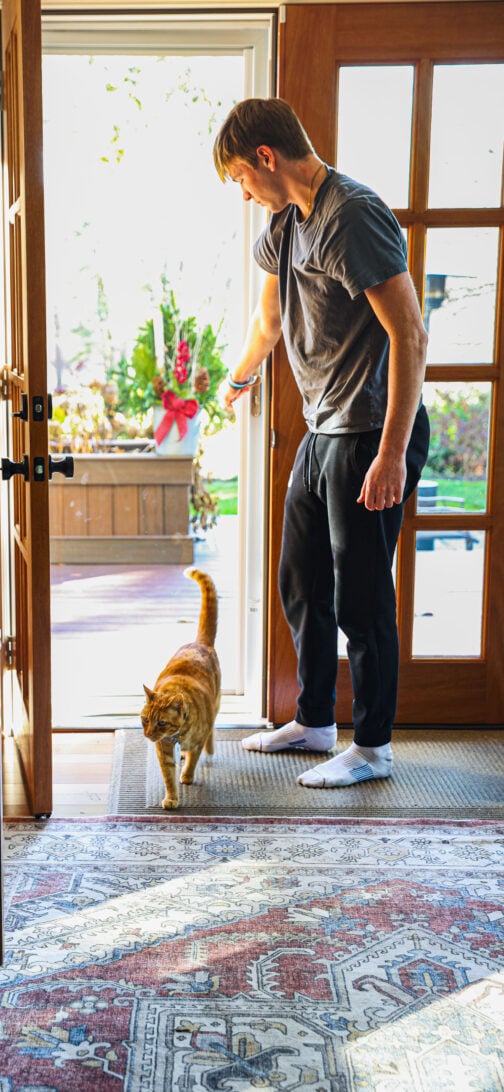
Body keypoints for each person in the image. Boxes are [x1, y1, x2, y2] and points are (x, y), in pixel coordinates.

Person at [213, 98, 430, 788]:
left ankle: (373, 746)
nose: (243, 194)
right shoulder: (286, 222)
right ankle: (313, 720)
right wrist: (241, 375)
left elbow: (410, 336)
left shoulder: (352, 215)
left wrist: (393, 453)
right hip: (323, 426)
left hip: (371, 428)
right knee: (302, 577)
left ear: (265, 159)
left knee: (362, 595)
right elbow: (269, 318)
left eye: (241, 179)